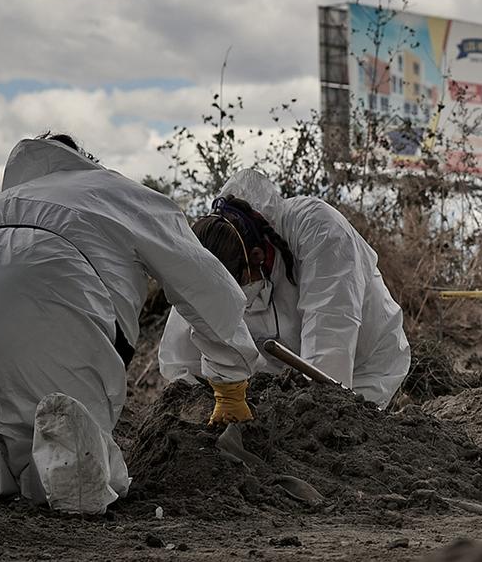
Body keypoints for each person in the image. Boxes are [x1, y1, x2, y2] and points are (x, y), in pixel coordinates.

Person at [0, 134, 258, 513]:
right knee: (66, 421)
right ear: (86, 160)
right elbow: (205, 284)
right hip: (49, 284)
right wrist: (229, 379)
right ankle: (76, 462)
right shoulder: (117, 192)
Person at [159, 168, 410, 405]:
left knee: (336, 433)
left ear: (257, 256)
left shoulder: (320, 230)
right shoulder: (211, 255)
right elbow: (181, 357)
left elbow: (331, 331)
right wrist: (197, 401)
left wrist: (319, 409)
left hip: (363, 367)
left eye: (237, 286)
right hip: (278, 376)